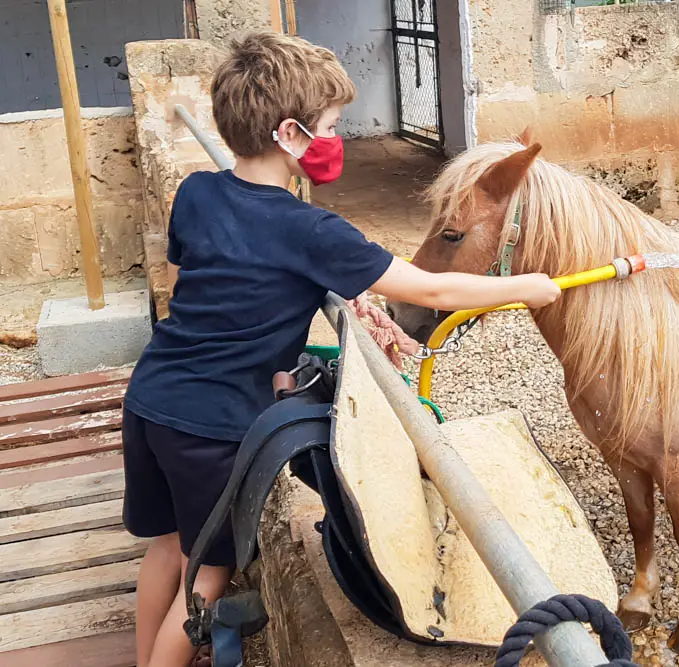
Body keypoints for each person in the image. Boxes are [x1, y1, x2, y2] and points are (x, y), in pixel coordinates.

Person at [122, 31, 560, 667]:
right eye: (331, 126)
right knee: (207, 576)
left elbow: (187, 287)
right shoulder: (311, 230)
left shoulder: (196, 191)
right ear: (291, 133)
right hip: (209, 428)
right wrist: (525, 286)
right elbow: (429, 286)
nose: (337, 141)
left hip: (149, 397)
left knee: (165, 549)